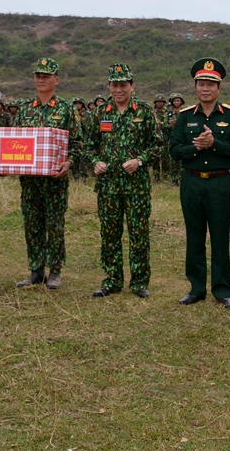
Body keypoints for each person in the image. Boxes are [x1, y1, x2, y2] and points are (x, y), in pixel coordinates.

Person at [169, 58, 230, 308]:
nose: (206, 88)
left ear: (219, 88)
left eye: (211, 84)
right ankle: (196, 288)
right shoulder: (184, 117)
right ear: (195, 87)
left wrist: (216, 144)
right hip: (191, 182)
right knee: (194, 236)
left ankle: (222, 290)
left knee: (220, 236)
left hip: (219, 183)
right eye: (201, 83)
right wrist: (195, 146)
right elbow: (173, 150)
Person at [87, 63, 162, 298]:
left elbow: (158, 144)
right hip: (108, 186)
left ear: (132, 86)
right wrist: (95, 161)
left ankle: (139, 281)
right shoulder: (99, 113)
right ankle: (112, 280)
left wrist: (139, 160)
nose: (119, 89)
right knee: (109, 234)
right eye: (114, 85)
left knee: (138, 233)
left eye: (123, 85)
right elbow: (89, 145)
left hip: (136, 186)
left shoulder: (144, 111)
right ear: (109, 86)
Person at [13, 58, 81, 290]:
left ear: (57, 80)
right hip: (30, 181)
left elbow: (77, 142)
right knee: (32, 225)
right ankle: (35, 270)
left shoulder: (66, 108)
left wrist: (69, 162)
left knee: (54, 225)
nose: (41, 80)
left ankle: (55, 271)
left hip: (54, 180)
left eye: (46, 76)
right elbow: (12, 143)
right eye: (38, 76)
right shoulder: (23, 108)